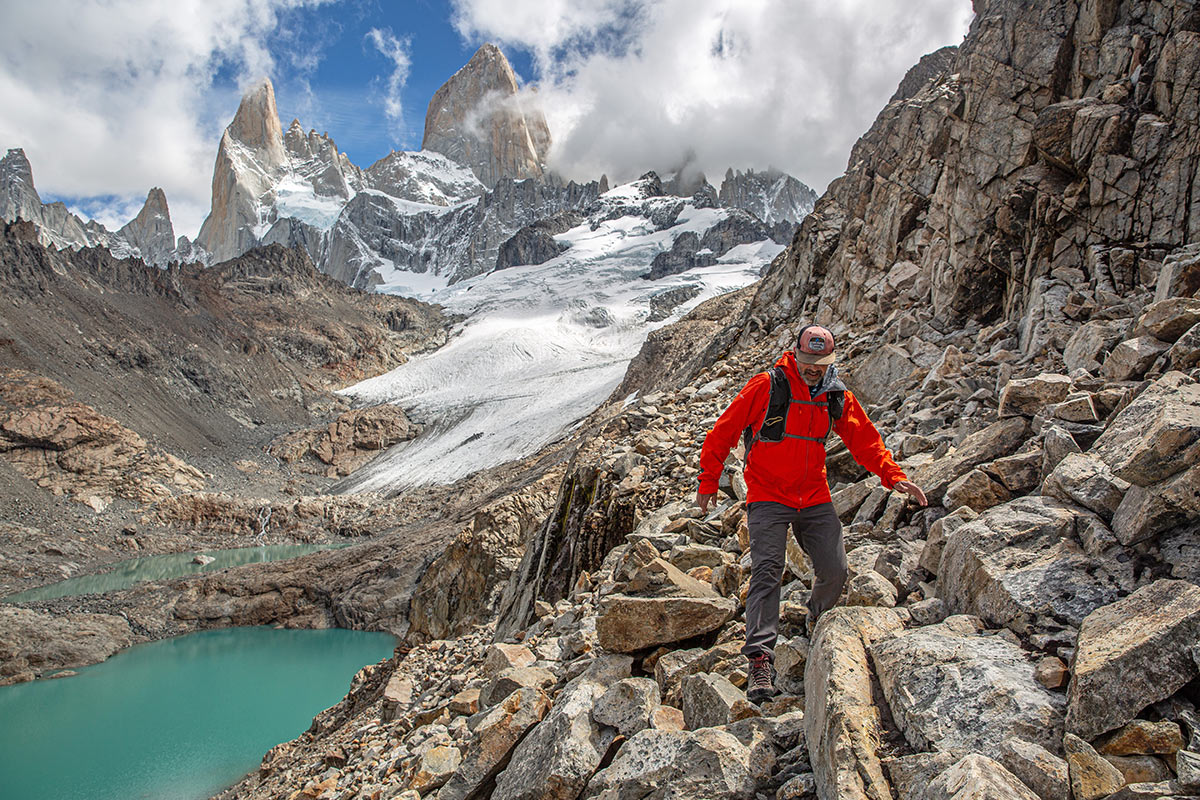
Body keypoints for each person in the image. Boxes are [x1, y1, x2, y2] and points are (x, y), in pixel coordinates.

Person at [696, 324, 927, 703]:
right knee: (768, 569)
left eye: (821, 362)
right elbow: (724, 431)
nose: (813, 368)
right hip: (768, 495)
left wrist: (894, 477)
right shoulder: (767, 386)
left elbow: (865, 440)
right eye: (807, 360)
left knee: (835, 570)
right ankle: (759, 658)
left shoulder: (836, 395)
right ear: (795, 354)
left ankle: (817, 616)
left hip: (814, 496)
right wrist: (708, 480)